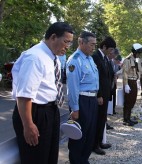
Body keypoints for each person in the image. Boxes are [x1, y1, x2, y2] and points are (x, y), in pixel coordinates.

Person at [11, 22, 74, 164]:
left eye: (70, 43)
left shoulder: (53, 57)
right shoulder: (35, 57)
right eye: (66, 42)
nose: (67, 47)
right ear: (53, 37)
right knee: (36, 158)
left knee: (50, 157)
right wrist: (28, 125)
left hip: (50, 110)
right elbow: (24, 96)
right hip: (35, 113)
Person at [67, 31, 99, 163]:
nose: (93, 48)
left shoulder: (89, 58)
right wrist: (75, 109)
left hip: (92, 100)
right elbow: (73, 87)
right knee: (78, 135)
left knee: (90, 134)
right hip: (82, 101)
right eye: (91, 44)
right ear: (81, 42)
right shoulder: (75, 60)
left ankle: (84, 160)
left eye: (95, 45)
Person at [92, 36, 116, 155]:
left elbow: (109, 74)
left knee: (102, 119)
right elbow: (96, 78)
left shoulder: (105, 58)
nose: (111, 52)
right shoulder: (96, 57)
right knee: (98, 119)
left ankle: (100, 141)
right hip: (100, 95)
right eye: (110, 49)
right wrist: (99, 94)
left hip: (106, 93)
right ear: (104, 46)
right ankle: (94, 144)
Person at [122, 43, 142, 126]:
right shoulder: (127, 60)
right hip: (129, 82)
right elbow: (125, 73)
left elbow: (137, 71)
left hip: (134, 81)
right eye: (138, 53)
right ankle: (125, 119)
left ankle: (129, 117)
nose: (139, 55)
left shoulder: (135, 60)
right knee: (128, 101)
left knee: (132, 101)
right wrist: (126, 85)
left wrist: (138, 81)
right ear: (135, 52)